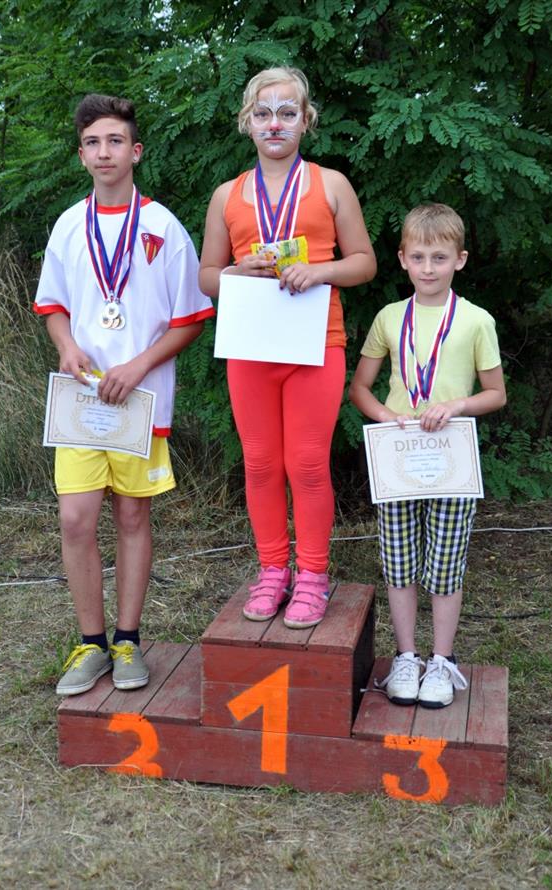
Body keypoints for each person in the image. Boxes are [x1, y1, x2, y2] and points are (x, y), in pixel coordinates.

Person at [34, 94, 215, 695]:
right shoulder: (69, 225)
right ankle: (90, 643)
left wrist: (138, 365)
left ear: (135, 151)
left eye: (115, 141)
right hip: (82, 400)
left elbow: (191, 318)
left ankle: (128, 639)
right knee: (75, 518)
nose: (104, 152)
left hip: (140, 401)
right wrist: (66, 346)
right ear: (81, 155)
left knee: (133, 515)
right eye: (93, 143)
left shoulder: (163, 227)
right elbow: (53, 305)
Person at [199, 67, 376, 629]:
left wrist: (319, 271)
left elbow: (365, 263)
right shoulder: (227, 195)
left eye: (287, 113)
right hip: (251, 344)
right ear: (247, 123)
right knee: (259, 463)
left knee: (307, 463)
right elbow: (206, 277)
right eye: (263, 113)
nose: (274, 123)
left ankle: (313, 575)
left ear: (306, 121)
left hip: (315, 341)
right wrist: (236, 271)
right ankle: (273, 569)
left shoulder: (331, 185)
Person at [349, 203, 506, 708]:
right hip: (398, 457)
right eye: (418, 257)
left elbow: (496, 394)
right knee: (398, 561)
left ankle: (441, 660)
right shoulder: (389, 317)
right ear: (402, 259)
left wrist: (457, 405)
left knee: (445, 563)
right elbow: (360, 388)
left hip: (451, 460)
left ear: (460, 259)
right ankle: (406, 656)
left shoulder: (477, 321)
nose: (428, 268)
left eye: (439, 258)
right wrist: (386, 416)